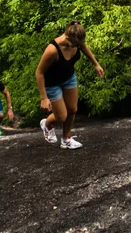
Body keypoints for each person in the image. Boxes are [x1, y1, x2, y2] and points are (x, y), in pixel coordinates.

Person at [36, 21, 103, 149]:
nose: (77, 47)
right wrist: (44, 98)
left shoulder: (76, 41)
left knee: (72, 109)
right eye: (75, 44)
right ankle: (47, 124)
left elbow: (84, 47)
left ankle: (66, 139)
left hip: (69, 78)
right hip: (52, 83)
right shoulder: (53, 50)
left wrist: (96, 64)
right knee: (61, 116)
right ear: (67, 37)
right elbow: (39, 72)